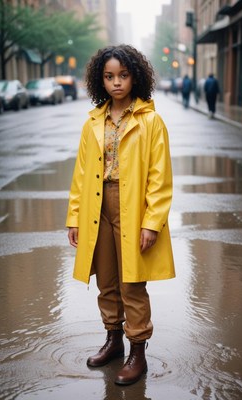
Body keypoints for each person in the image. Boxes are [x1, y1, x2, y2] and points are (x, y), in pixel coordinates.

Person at [66, 44, 175, 386]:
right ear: (101, 80)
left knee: (132, 283)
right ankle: (113, 341)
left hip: (133, 209)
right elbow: (81, 172)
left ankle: (137, 353)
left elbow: (160, 177)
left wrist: (151, 222)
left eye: (123, 76)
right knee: (106, 280)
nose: (116, 83)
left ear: (135, 77)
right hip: (98, 208)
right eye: (109, 76)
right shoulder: (93, 122)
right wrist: (74, 217)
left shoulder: (151, 121)